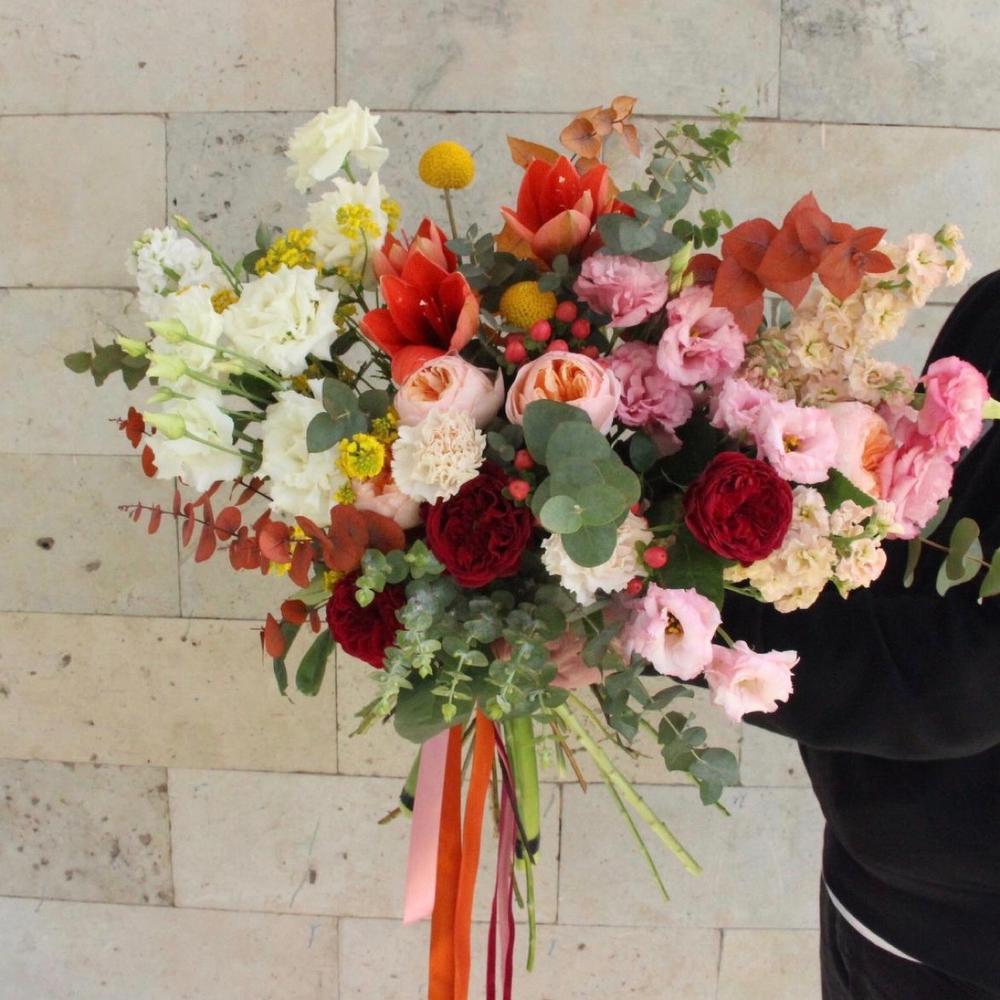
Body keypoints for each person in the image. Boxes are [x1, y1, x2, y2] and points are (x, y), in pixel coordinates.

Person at [726, 270, 1000, 999]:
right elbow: (902, 527)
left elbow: (954, 679)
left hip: (961, 950)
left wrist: (672, 612)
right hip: (881, 892)